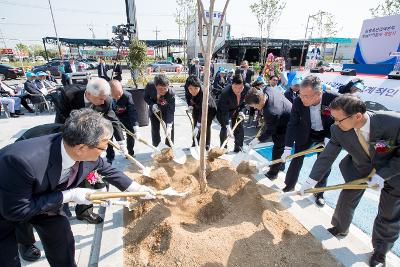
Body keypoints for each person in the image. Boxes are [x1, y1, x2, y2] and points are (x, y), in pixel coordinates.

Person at [0, 109, 155, 267]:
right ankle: (24, 244)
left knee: (62, 237)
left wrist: (137, 189)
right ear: (81, 148)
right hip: (7, 208)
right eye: (103, 148)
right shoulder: (20, 162)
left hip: (47, 200)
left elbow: (107, 169)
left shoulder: (85, 152)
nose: (104, 152)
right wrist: (70, 195)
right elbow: (16, 210)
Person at [302, 95, 400, 266]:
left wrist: (381, 175)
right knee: (346, 198)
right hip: (359, 168)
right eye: (333, 118)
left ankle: (380, 252)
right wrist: (311, 180)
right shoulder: (338, 129)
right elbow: (328, 155)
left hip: (393, 172)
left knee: (389, 213)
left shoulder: (392, 122)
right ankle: (340, 227)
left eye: (339, 119)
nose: (335, 123)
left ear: (358, 116)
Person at [56, 78, 128, 224]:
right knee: (64, 171)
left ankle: (84, 211)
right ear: (88, 95)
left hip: (91, 140)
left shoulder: (105, 101)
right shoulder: (67, 95)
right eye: (100, 99)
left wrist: (122, 143)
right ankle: (60, 203)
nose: (103, 102)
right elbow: (62, 121)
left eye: (104, 99)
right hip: (68, 135)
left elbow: (113, 120)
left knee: (87, 170)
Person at [282, 75, 338, 207]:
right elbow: (292, 124)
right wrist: (287, 147)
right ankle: (289, 186)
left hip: (326, 134)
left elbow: (339, 121)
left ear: (318, 94)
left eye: (306, 96)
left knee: (324, 164)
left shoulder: (334, 100)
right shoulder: (298, 101)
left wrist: (329, 137)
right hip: (306, 132)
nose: (302, 98)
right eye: (300, 94)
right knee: (296, 158)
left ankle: (319, 192)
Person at [246, 87, 292, 179]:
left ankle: (273, 173)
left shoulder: (271, 112)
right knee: (280, 147)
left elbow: (270, 131)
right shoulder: (267, 89)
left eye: (254, 106)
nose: (254, 108)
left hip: (288, 124)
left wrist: (257, 140)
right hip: (284, 112)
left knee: (278, 148)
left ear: (260, 101)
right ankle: (281, 165)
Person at [217, 74, 249, 152]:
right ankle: (223, 147)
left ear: (243, 85)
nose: (238, 90)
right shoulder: (225, 93)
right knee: (224, 127)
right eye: (235, 87)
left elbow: (246, 101)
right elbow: (224, 111)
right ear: (232, 84)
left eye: (240, 87)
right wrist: (228, 127)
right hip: (225, 110)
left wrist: (241, 111)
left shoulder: (247, 88)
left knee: (239, 126)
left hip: (238, 109)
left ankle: (238, 146)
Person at [185, 75, 217, 150]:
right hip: (197, 107)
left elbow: (203, 112)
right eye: (190, 89)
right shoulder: (188, 90)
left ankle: (207, 145)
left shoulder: (204, 94)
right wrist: (190, 105)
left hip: (209, 109)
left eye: (196, 88)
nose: (193, 91)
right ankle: (195, 143)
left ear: (199, 86)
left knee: (206, 125)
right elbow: (188, 98)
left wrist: (198, 125)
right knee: (195, 123)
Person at [144, 74, 175, 147]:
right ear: (155, 86)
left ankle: (169, 147)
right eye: (160, 89)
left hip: (166, 111)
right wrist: (152, 104)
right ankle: (157, 147)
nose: (163, 91)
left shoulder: (171, 93)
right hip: (154, 111)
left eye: (165, 88)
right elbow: (145, 97)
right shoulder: (150, 86)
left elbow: (171, 110)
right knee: (155, 130)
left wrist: (169, 125)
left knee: (170, 130)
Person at [110, 80, 139, 157]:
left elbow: (132, 111)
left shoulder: (127, 96)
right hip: (112, 118)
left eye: (120, 94)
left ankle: (130, 153)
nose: (118, 97)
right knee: (109, 135)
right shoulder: (107, 98)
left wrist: (135, 127)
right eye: (116, 95)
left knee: (131, 133)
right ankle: (110, 156)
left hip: (125, 117)